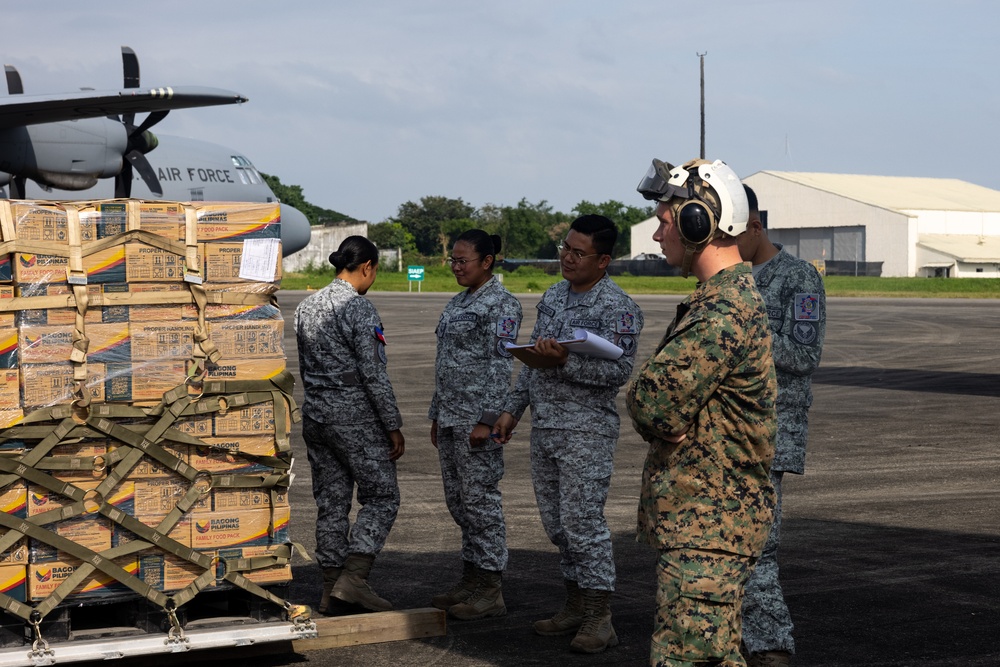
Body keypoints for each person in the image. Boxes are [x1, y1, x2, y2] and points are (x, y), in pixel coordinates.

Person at [627, 158, 777, 666]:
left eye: (665, 222)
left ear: (698, 223)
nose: (657, 235)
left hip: (709, 524)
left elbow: (652, 403)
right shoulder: (720, 300)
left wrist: (657, 411)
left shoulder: (722, 310)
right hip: (709, 523)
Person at [493, 214, 643, 654]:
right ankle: (576, 604)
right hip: (546, 428)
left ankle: (599, 617)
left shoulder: (618, 307)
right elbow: (532, 360)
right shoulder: (554, 295)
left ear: (603, 260)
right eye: (565, 248)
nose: (568, 258)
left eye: (579, 253)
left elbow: (619, 372)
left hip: (586, 432)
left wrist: (566, 361)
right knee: (558, 526)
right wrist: (512, 410)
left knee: (583, 524)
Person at [737, 185, 826, 667]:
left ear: (755, 227)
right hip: (727, 428)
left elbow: (804, 354)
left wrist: (745, 332)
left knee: (759, 544)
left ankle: (770, 645)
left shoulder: (798, 277)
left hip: (771, 430)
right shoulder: (729, 280)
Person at [294, 235, 405, 615]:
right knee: (383, 496)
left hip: (316, 415)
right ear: (367, 267)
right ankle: (354, 578)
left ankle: (330, 588)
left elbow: (304, 366)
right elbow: (373, 374)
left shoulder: (306, 306)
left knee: (332, 502)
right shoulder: (358, 308)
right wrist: (392, 424)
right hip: (354, 417)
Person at [428, 229, 523, 621]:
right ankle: (470, 578)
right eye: (453, 260)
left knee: (481, 504)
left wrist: (487, 419)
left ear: (487, 262)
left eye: (462, 261)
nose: (455, 267)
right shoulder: (457, 302)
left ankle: (490, 587)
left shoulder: (502, 304)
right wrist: (436, 413)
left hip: (476, 422)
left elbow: (501, 367)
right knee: (459, 503)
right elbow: (445, 362)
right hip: (451, 417)